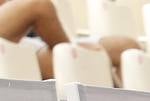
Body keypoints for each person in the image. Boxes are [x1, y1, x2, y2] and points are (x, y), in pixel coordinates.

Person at [0, 0, 138, 81]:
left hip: (28, 44)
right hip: (18, 48)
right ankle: (73, 55)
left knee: (126, 46)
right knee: (39, 5)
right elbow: (39, 7)